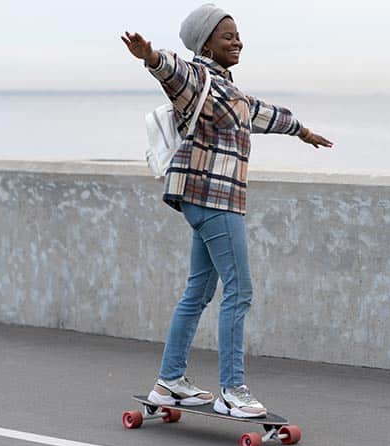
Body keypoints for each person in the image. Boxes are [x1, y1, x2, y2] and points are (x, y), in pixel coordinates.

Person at [121, 3, 332, 418]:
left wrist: (303, 132)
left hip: (204, 201)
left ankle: (169, 382)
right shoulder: (197, 79)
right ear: (207, 44)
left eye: (238, 35)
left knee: (198, 292)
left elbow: (265, 114)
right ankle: (233, 389)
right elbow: (172, 69)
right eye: (227, 36)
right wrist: (150, 57)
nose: (237, 41)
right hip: (214, 200)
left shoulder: (230, 92)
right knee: (240, 290)